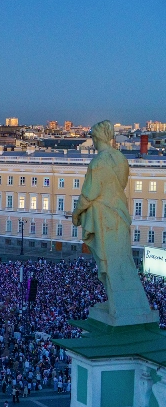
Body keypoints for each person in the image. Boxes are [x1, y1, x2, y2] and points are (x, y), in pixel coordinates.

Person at [72, 120, 155, 322]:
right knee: (121, 259)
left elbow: (89, 193)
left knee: (109, 261)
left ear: (96, 137)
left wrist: (76, 213)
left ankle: (120, 306)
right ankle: (124, 303)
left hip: (104, 217)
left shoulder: (98, 162)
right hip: (119, 213)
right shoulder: (120, 158)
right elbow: (120, 185)